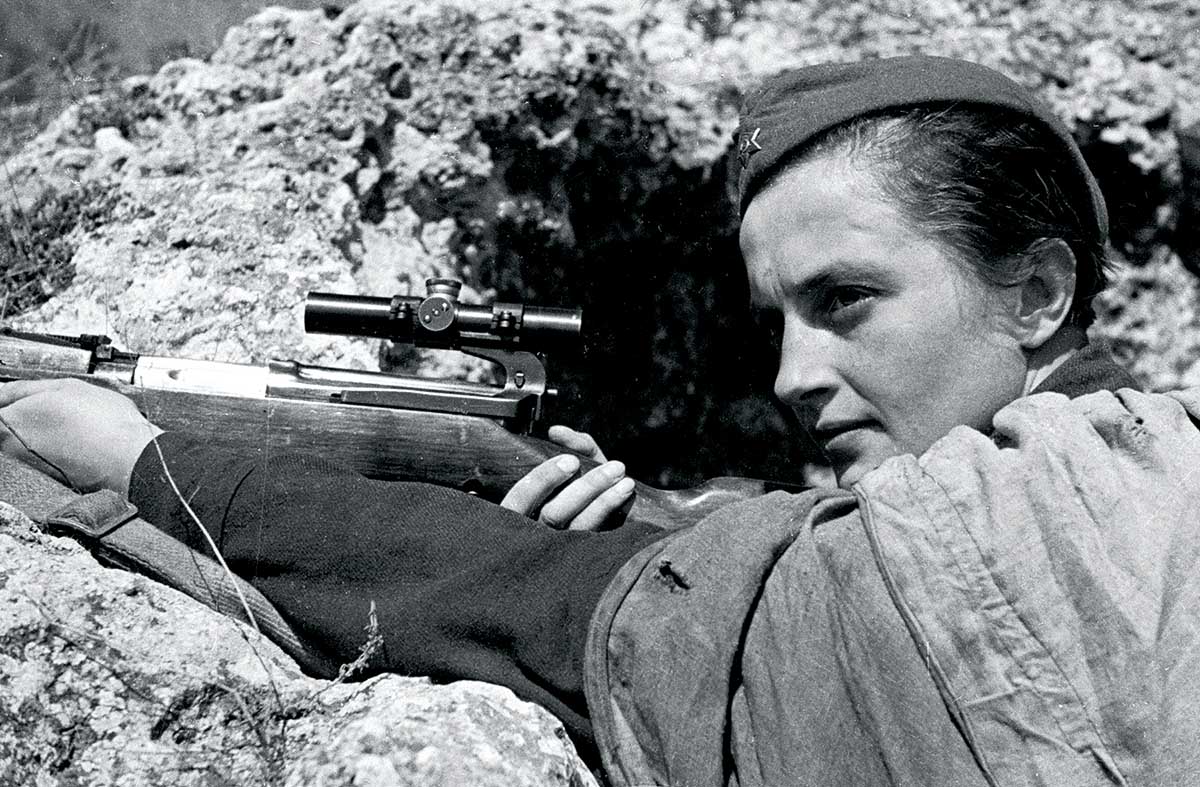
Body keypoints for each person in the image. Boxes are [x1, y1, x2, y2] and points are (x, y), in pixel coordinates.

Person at [3, 55, 1200, 785]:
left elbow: (573, 615)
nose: (792, 376)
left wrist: (147, 460)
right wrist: (660, 518)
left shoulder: (1073, 504)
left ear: (1039, 292)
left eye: (846, 301)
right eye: (778, 321)